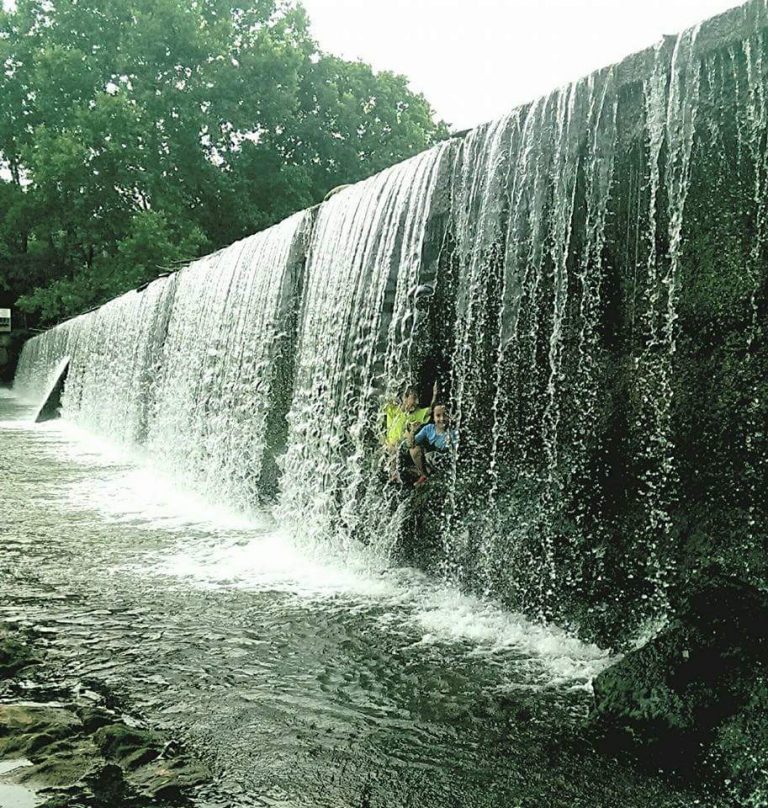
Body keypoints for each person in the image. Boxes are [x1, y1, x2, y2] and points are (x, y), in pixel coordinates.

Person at [381, 382, 437, 482]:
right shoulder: (393, 409)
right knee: (392, 445)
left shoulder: (416, 413)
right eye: (414, 398)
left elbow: (430, 410)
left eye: (417, 398)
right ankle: (393, 474)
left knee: (413, 445)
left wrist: (435, 394)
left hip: (404, 447)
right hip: (390, 447)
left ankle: (423, 474)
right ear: (405, 398)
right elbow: (384, 400)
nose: (417, 402)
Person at [409, 402, 456, 486]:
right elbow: (413, 443)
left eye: (445, 415)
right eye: (438, 416)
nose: (442, 418)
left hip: (443, 462)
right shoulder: (429, 428)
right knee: (414, 450)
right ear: (433, 418)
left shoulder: (452, 433)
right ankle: (424, 474)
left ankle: (438, 476)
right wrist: (412, 431)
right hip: (429, 460)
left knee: (433, 454)